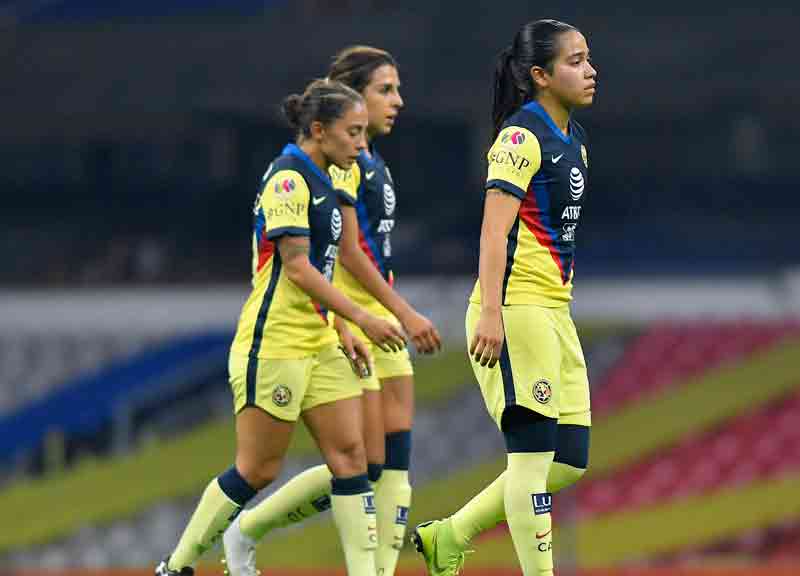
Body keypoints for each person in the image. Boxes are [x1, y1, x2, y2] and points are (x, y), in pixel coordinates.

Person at [154, 78, 406, 576]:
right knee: (258, 469)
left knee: (354, 459)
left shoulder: (326, 180)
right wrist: (362, 316)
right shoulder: (289, 179)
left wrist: (340, 326)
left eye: (362, 132)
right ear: (319, 129)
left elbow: (324, 270)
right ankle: (178, 565)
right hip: (275, 345)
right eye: (352, 132)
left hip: (318, 342)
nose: (361, 142)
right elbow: (296, 267)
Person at [221, 47, 442, 576]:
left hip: (378, 318)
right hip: (354, 321)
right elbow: (346, 256)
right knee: (361, 465)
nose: (397, 102)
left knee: (393, 464)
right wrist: (378, 316)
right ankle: (247, 528)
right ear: (352, 98)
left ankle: (377, 570)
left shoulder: (370, 162)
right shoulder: (334, 167)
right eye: (385, 90)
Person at [412, 19, 597, 576]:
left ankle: (451, 536)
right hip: (515, 310)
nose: (590, 71)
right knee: (533, 460)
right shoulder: (520, 138)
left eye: (589, 59)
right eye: (575, 61)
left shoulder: (577, 143)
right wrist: (491, 311)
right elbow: (494, 232)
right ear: (540, 75)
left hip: (554, 313)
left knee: (569, 459)